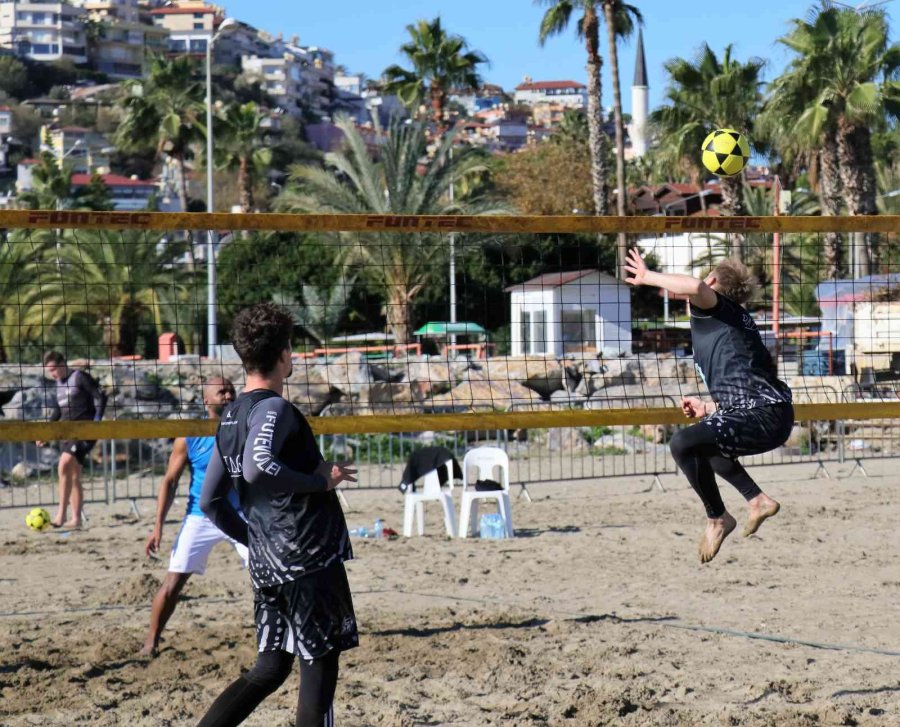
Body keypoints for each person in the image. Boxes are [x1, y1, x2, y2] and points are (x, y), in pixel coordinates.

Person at [198, 303, 358, 727]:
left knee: (270, 667)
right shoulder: (275, 409)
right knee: (319, 665)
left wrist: (255, 541)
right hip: (306, 559)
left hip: (269, 563)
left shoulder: (230, 416)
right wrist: (322, 482)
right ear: (285, 354)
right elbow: (257, 466)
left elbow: (210, 502)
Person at [624, 250, 793, 563]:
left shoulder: (713, 306)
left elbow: (695, 287)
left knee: (682, 443)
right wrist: (708, 407)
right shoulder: (728, 321)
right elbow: (745, 381)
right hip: (768, 414)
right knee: (703, 445)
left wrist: (647, 277)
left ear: (712, 281)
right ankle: (757, 500)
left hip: (764, 415)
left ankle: (717, 518)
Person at [141, 376, 245, 657]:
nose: (228, 395)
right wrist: (157, 527)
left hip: (240, 514)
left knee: (270, 575)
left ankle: (286, 634)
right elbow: (169, 482)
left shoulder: (247, 427)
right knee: (173, 583)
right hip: (200, 517)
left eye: (231, 391)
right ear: (206, 400)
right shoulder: (189, 435)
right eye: (221, 392)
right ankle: (150, 642)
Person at [38, 351, 107, 529]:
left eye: (53, 369)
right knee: (73, 474)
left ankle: (61, 515)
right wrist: (46, 433)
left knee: (64, 464)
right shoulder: (58, 386)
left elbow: (100, 397)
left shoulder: (80, 377)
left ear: (62, 364)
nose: (52, 374)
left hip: (84, 431)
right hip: (67, 433)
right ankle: (76, 519)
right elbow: (57, 413)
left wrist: (97, 422)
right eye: (49, 371)